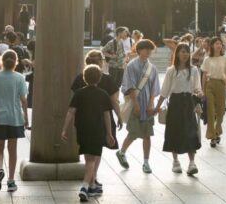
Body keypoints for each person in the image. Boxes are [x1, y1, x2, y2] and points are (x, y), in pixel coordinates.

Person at [63, 64, 117, 202]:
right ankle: (85, 186)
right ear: (99, 79)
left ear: (84, 78)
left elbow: (71, 112)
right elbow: (107, 115)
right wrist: (109, 133)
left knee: (88, 158)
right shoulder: (103, 94)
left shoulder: (79, 93)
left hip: (82, 129)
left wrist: (64, 129)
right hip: (97, 129)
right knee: (92, 160)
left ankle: (92, 185)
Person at [158, 43, 202, 175]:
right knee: (174, 131)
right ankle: (175, 161)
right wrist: (157, 106)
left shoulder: (194, 70)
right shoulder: (171, 70)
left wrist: (199, 95)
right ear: (177, 53)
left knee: (191, 131)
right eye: (182, 52)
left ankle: (192, 163)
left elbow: (197, 87)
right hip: (175, 103)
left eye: (187, 52)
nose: (185, 54)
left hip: (188, 102)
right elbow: (164, 90)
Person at [0, 49, 29, 193]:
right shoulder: (19, 78)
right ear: (15, 62)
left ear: (2, 61)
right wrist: (26, 118)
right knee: (12, 150)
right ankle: (11, 181)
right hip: (14, 117)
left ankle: (0, 169)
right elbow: (24, 100)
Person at [116, 39, 160, 173]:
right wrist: (135, 104)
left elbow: (154, 88)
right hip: (136, 102)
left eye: (150, 49)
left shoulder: (152, 68)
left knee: (147, 134)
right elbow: (130, 87)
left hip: (147, 104)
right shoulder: (131, 66)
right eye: (145, 49)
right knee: (133, 132)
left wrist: (151, 104)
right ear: (139, 50)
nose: (148, 51)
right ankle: (122, 152)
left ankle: (146, 162)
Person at [201, 36, 226, 147]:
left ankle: (217, 131)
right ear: (212, 46)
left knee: (220, 111)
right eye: (216, 43)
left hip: (221, 84)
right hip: (210, 85)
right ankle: (212, 136)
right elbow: (204, 75)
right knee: (210, 110)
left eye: (220, 43)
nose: (219, 45)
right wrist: (202, 90)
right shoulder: (207, 59)